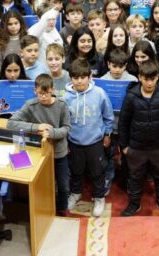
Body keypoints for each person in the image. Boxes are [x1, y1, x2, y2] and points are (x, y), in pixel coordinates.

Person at [7, 74, 71, 214]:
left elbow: (66, 128)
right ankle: (44, 212)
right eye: (40, 93)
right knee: (43, 186)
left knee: (63, 186)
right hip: (39, 153)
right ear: (35, 91)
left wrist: (52, 132)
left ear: (52, 90)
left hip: (59, 153)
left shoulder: (62, 105)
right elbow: (11, 123)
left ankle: (62, 208)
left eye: (47, 93)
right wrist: (36, 127)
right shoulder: (31, 105)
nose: (43, 97)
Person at [119, 61, 159, 217]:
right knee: (135, 177)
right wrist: (124, 146)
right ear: (139, 77)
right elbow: (123, 122)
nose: (149, 82)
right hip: (136, 147)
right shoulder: (131, 97)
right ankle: (134, 204)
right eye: (146, 79)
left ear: (157, 77)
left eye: (152, 78)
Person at [64, 58, 114, 217]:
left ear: (89, 77)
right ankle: (75, 192)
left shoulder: (99, 94)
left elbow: (108, 116)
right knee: (76, 170)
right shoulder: (65, 97)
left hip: (95, 141)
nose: (79, 81)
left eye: (82, 77)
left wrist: (107, 134)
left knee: (97, 171)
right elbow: (63, 121)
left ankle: (99, 197)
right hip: (74, 141)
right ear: (70, 78)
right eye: (75, 78)